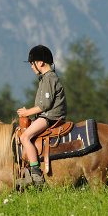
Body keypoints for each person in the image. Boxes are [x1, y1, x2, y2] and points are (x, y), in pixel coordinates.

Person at [16, 44, 67, 187]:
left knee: (24, 137)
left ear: (40, 63)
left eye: (32, 64)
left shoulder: (49, 78)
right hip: (45, 115)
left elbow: (45, 105)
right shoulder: (46, 78)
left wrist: (27, 113)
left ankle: (36, 172)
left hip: (49, 117)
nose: (32, 67)